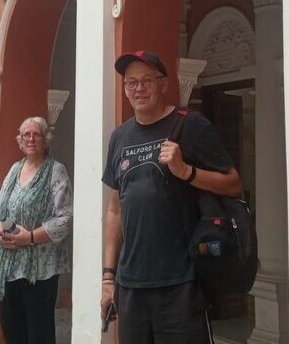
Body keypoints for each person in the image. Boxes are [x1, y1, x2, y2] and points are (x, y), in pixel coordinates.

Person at [101, 50, 242, 344]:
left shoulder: (191, 125)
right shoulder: (120, 137)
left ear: (163, 84)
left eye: (147, 81)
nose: (138, 89)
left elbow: (233, 183)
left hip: (181, 283)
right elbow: (115, 210)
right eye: (131, 82)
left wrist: (186, 171)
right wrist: (108, 278)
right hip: (131, 285)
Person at [0, 116, 73, 344]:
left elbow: (64, 218)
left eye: (36, 134)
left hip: (41, 268)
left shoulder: (56, 171)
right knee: (11, 326)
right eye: (26, 134)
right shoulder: (15, 169)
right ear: (20, 141)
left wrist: (30, 238)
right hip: (9, 265)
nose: (30, 138)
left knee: (39, 331)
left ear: (45, 140)